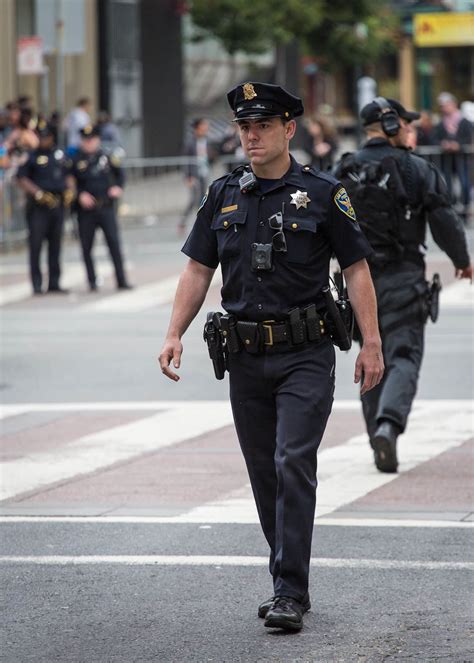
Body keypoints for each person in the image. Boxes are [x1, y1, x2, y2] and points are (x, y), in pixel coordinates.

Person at [159, 82, 384, 631]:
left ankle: (289, 591)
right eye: (244, 127)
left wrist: (373, 342)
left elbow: (356, 270)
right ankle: (285, 576)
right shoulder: (222, 195)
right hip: (244, 356)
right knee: (263, 473)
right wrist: (174, 333)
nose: (251, 135)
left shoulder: (324, 194)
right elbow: (197, 269)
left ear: (289, 130)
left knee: (291, 462)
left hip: (305, 354)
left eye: (263, 125)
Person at [334, 96, 472, 473]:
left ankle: (375, 434)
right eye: (406, 124)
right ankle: (388, 427)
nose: (410, 130)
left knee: (370, 358)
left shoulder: (342, 170)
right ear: (393, 125)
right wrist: (462, 262)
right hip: (403, 277)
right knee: (403, 356)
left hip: (357, 285)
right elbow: (444, 220)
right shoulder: (417, 169)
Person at [67, 124, 132, 291]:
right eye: (86, 140)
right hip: (86, 210)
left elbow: (120, 175)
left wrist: (118, 187)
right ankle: (92, 281)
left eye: (92, 140)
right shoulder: (75, 160)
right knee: (87, 246)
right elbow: (69, 182)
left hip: (106, 206)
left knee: (114, 243)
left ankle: (121, 279)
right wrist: (80, 195)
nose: (89, 143)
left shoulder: (106, 157)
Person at [16, 122, 74, 295]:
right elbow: (22, 178)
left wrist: (70, 190)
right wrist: (38, 193)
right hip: (39, 207)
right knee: (36, 245)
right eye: (41, 137)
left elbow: (69, 174)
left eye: (46, 137)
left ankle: (54, 282)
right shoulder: (31, 156)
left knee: (55, 245)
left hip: (57, 204)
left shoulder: (60, 155)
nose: (43, 140)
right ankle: (36, 283)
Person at [431, 92, 473, 221]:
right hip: (446, 160)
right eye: (442, 106)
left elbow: (469, 137)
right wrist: (443, 144)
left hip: (462, 159)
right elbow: (434, 139)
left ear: (453, 104)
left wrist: (458, 145)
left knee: (465, 184)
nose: (443, 108)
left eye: (446, 105)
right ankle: (453, 210)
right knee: (447, 185)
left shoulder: (464, 121)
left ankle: (464, 210)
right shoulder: (440, 123)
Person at [178, 118, 212, 234]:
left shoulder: (207, 140)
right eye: (203, 126)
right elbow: (186, 160)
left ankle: (201, 225)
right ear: (197, 128)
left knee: (203, 199)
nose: (206, 129)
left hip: (204, 173)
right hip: (194, 175)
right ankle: (182, 222)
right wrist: (187, 176)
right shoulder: (190, 142)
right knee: (193, 199)